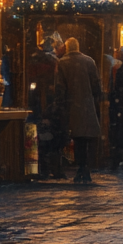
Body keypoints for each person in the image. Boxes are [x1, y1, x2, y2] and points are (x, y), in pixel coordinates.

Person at [56, 38, 102, 184]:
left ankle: (81, 168)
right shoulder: (89, 62)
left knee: (78, 139)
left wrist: (60, 105)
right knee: (88, 138)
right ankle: (86, 168)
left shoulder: (63, 63)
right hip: (88, 106)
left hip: (73, 106)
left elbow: (60, 87)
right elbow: (96, 84)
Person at [29, 37, 66, 180]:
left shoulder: (37, 62)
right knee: (53, 141)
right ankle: (53, 168)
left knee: (44, 141)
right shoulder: (51, 64)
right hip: (49, 109)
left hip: (42, 108)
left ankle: (43, 168)